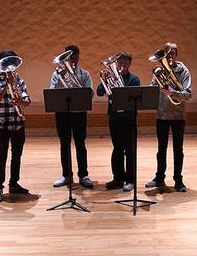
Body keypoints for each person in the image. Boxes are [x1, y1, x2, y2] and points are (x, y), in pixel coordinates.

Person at [145, 42, 192, 192]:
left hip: (178, 116)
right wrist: (157, 77)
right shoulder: (159, 71)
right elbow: (152, 89)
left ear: (176, 55)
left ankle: (178, 180)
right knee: (161, 149)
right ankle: (159, 178)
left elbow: (188, 94)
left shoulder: (184, 71)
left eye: (172, 53)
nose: (169, 56)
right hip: (162, 115)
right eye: (167, 53)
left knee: (178, 150)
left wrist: (172, 92)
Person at [0, 50, 31, 203]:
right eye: (6, 64)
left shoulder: (20, 81)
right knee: (2, 156)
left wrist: (21, 102)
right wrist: (4, 89)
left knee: (17, 156)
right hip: (3, 125)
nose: (9, 68)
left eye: (11, 64)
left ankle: (13, 184)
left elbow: (27, 101)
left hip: (18, 123)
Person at [50, 45, 93, 188]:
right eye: (69, 56)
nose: (73, 59)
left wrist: (78, 86)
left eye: (75, 56)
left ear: (78, 57)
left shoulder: (84, 74)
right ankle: (66, 175)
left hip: (79, 113)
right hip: (62, 113)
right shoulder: (56, 74)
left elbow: (90, 94)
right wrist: (60, 80)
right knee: (64, 145)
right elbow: (52, 94)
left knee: (81, 144)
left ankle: (84, 175)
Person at [97, 52, 140, 192]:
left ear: (129, 64)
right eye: (120, 63)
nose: (122, 66)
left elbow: (131, 97)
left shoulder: (134, 79)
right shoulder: (112, 77)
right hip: (114, 118)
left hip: (128, 119)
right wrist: (106, 79)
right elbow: (99, 91)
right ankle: (118, 179)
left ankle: (130, 180)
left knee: (130, 150)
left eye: (125, 63)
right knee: (117, 149)